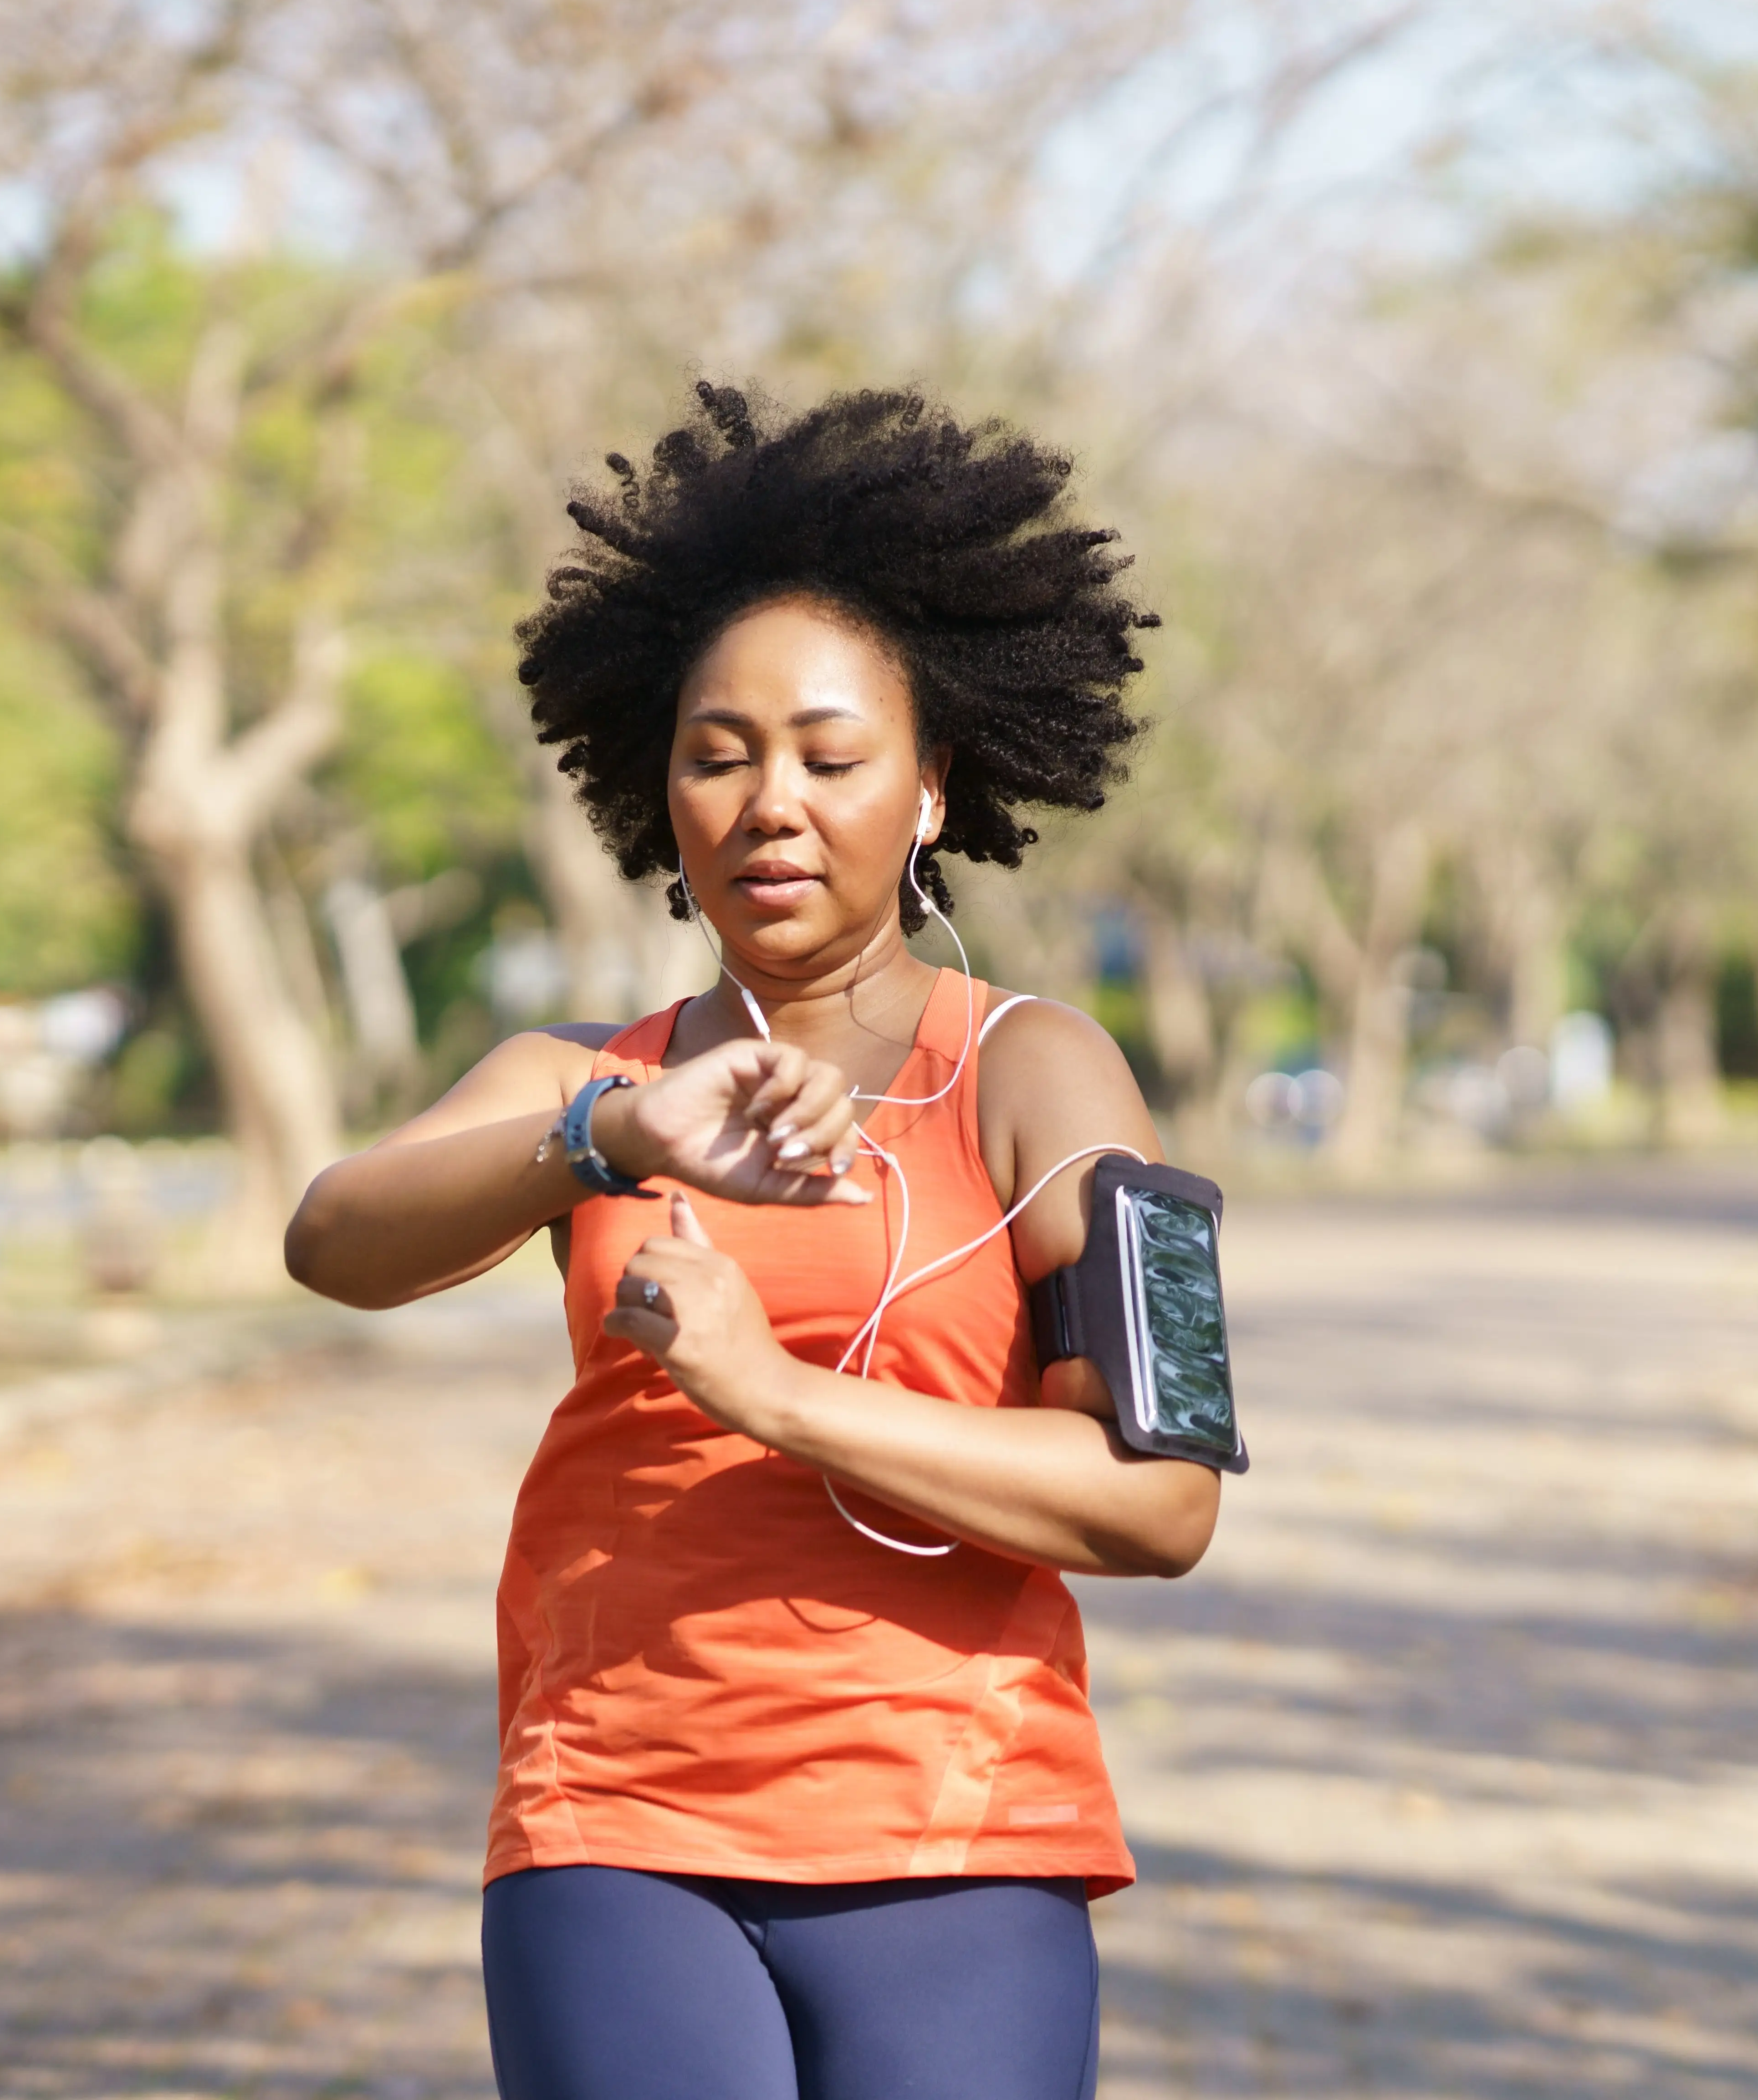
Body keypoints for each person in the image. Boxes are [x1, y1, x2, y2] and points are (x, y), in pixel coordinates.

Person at [284, 381, 1224, 2100]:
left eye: (829, 756)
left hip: (957, 1834)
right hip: (612, 1827)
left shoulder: (1039, 1073)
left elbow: (1162, 1503)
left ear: (931, 791)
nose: (768, 803)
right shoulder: (587, 1082)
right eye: (717, 757)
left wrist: (769, 1395)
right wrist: (604, 1139)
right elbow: (332, 1238)